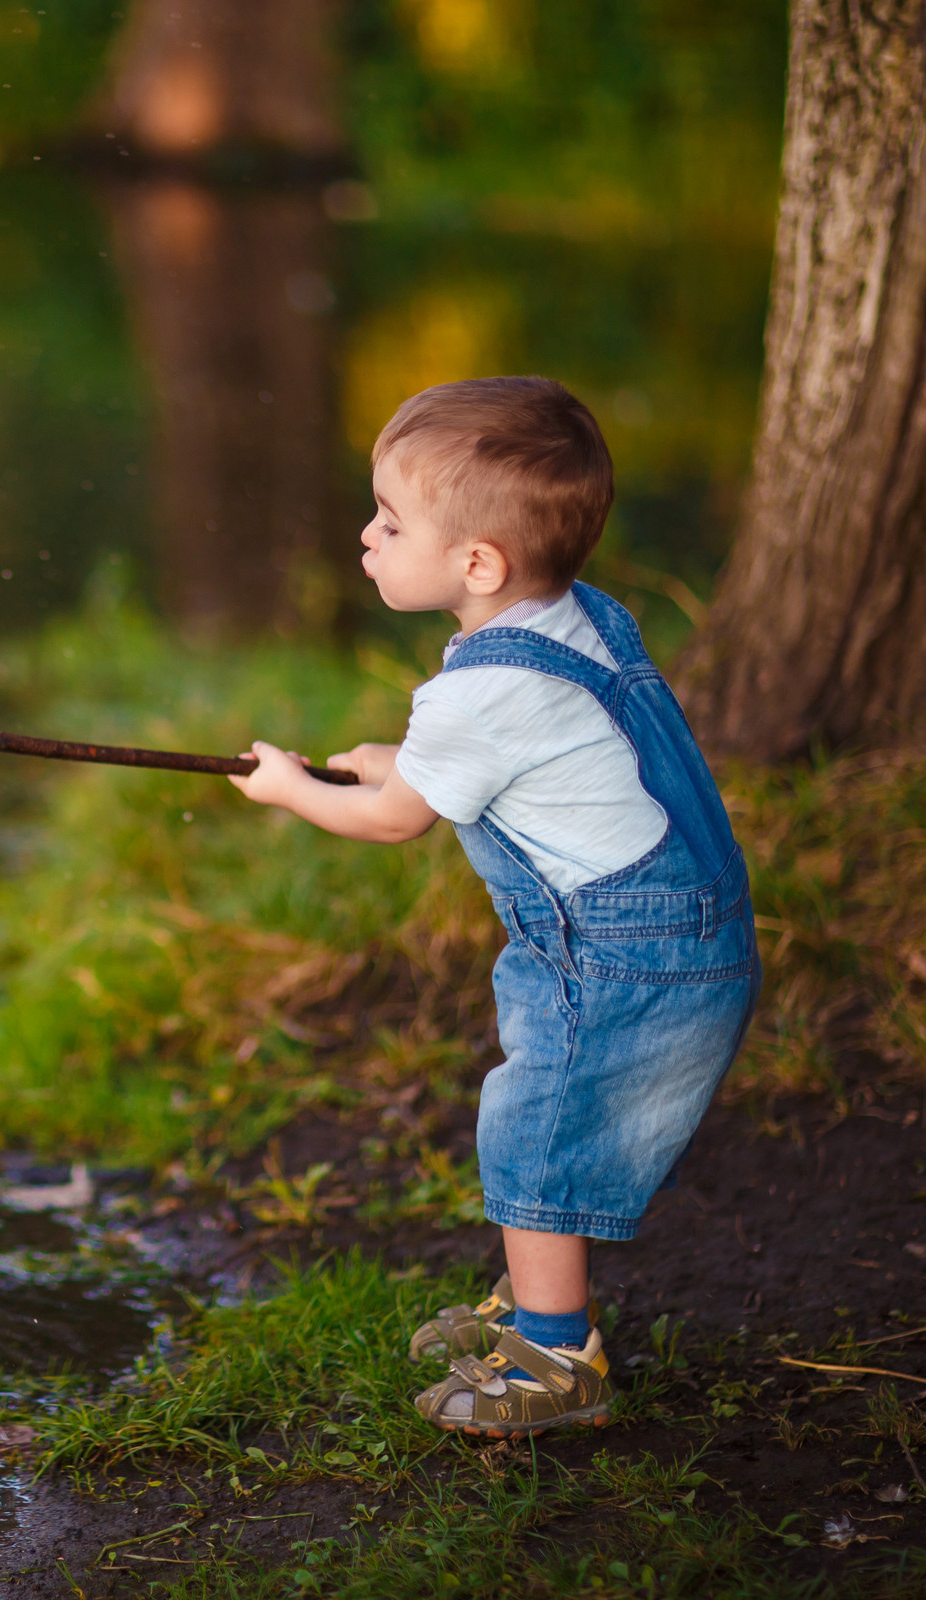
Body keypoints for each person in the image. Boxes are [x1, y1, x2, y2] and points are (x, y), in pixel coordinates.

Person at [229, 377, 758, 1437]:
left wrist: (291, 789)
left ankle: (557, 1358)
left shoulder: (475, 694)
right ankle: (536, 1308)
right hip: (680, 927)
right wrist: (400, 762)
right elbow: (518, 755)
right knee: (543, 1129)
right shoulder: (578, 618)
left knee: (538, 1141)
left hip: (619, 955)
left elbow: (394, 822)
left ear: (477, 565)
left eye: (390, 521)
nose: (366, 535)